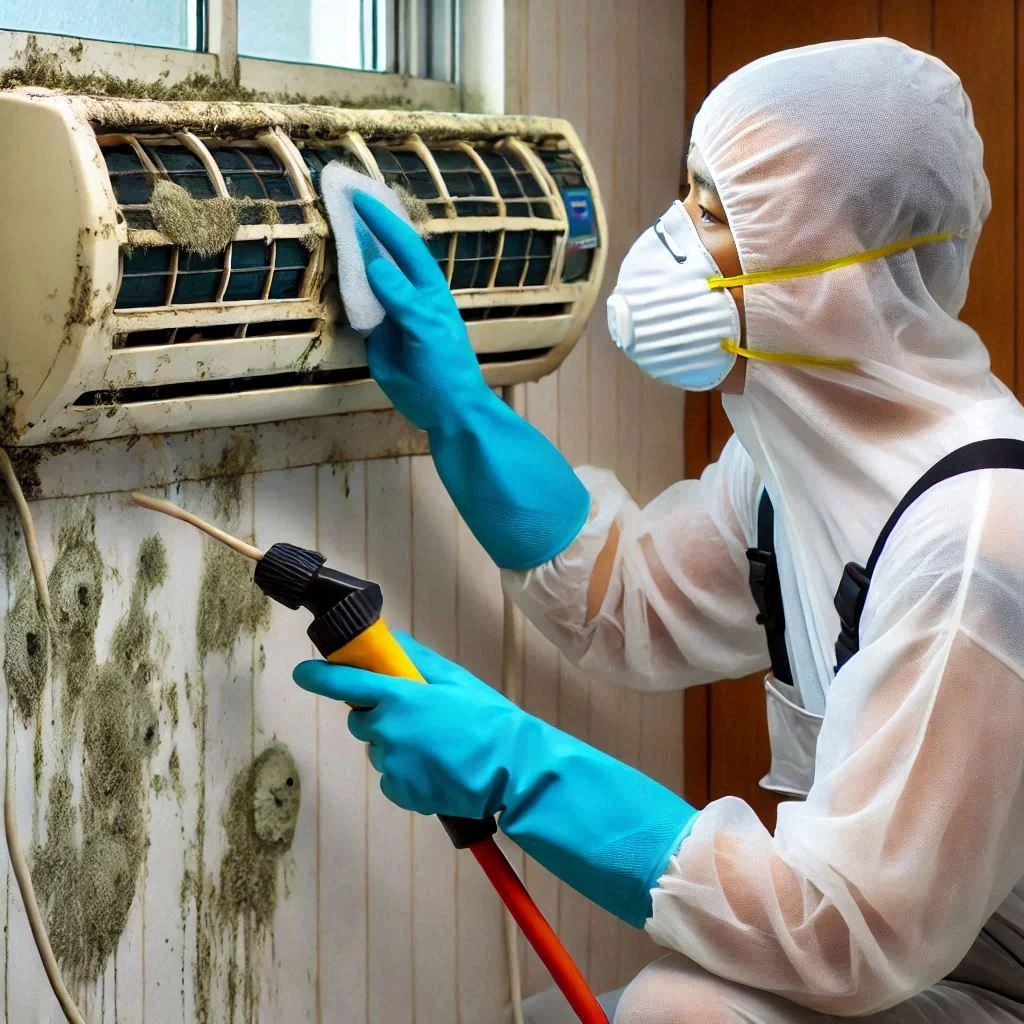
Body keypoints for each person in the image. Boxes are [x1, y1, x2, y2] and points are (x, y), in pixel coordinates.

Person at [294, 38, 1024, 1022]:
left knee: (680, 1010)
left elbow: (844, 934)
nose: (670, 239)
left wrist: (516, 767)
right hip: (914, 968)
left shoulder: (973, 545)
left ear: (839, 270)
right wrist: (459, 407)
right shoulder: (793, 467)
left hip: (974, 981)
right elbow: (621, 597)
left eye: (718, 214)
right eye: (688, 193)